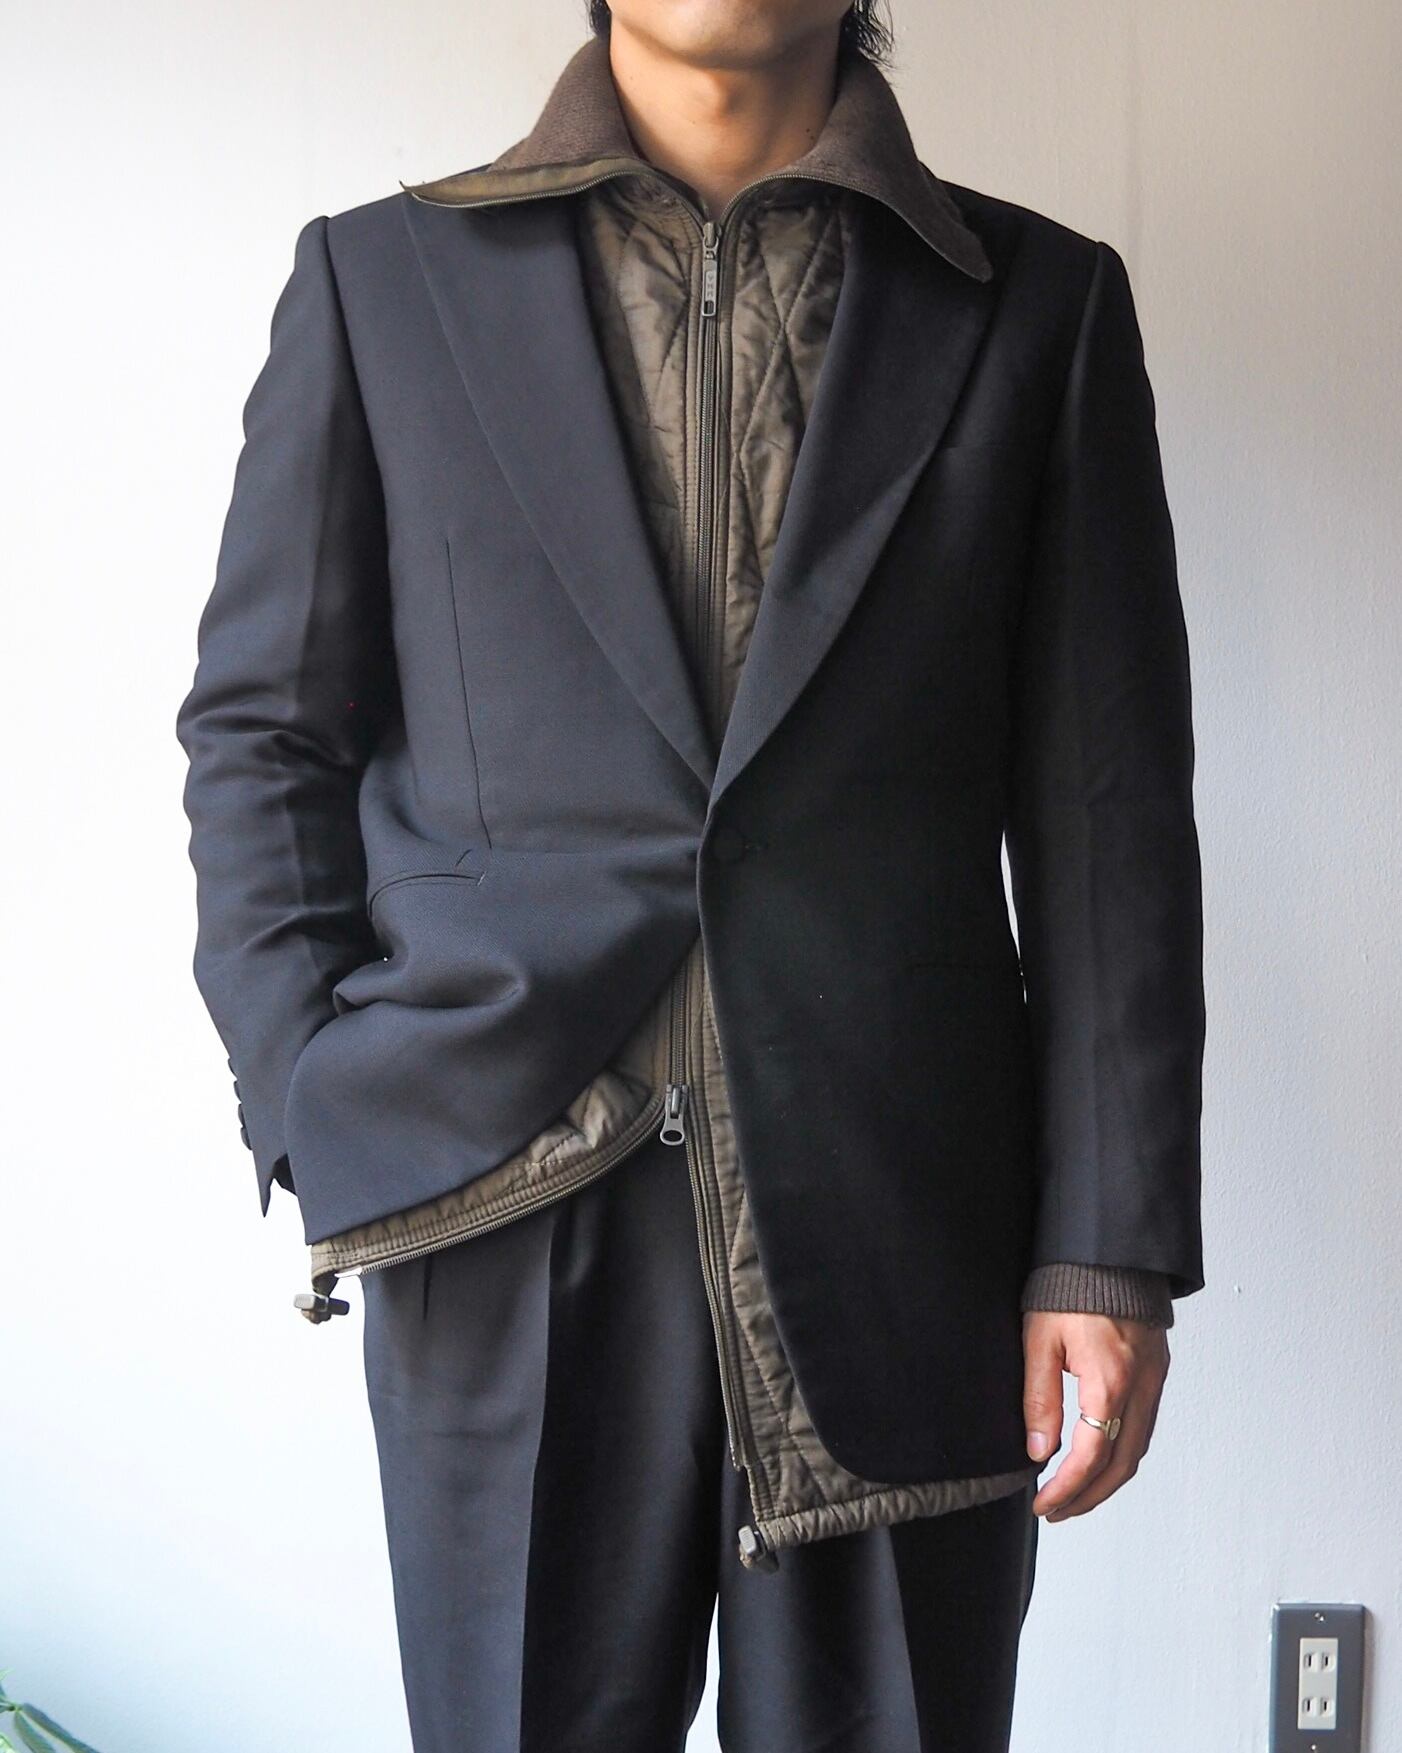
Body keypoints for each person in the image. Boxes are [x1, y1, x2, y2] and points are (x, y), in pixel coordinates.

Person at [175, 2, 1206, 1747]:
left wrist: (1103, 1250)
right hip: (501, 1200)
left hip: (906, 1225)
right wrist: (311, 1092)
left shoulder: (1035, 305)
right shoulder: (383, 286)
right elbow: (264, 730)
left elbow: (1107, 814)